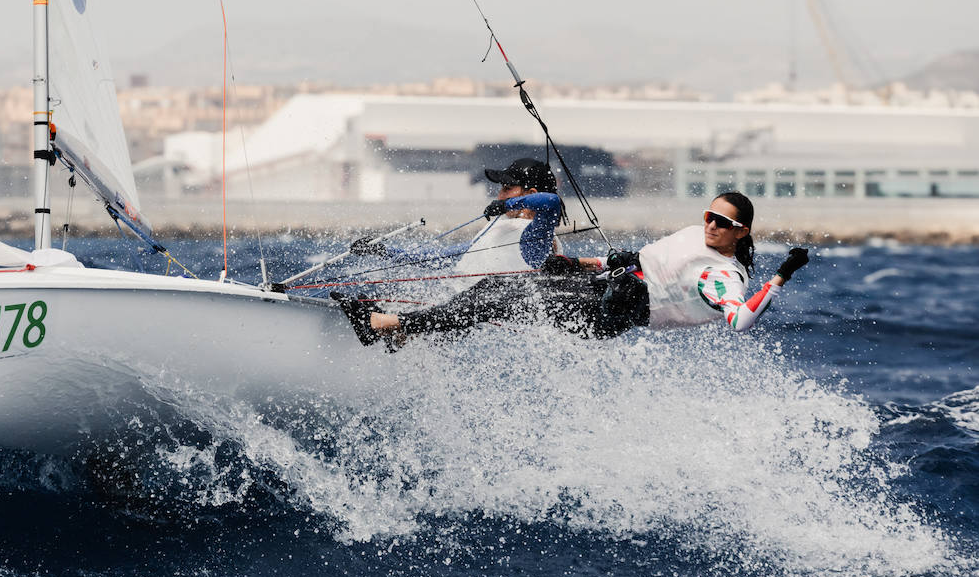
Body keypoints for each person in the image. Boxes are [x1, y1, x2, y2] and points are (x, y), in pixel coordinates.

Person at [339, 191, 809, 345]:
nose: (711, 225)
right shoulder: (694, 235)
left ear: (741, 232)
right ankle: (405, 329)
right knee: (499, 290)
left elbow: (742, 319)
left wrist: (782, 274)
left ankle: (384, 324)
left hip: (608, 314)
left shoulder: (721, 275)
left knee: (501, 300)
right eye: (709, 215)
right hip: (604, 285)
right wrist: (582, 263)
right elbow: (636, 261)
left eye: (723, 223)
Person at [350, 157, 565, 280]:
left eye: (507, 189)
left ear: (530, 194)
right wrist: (384, 251)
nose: (499, 196)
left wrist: (507, 205)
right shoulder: (503, 227)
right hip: (461, 311)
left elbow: (552, 202)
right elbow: (441, 258)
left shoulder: (538, 233)